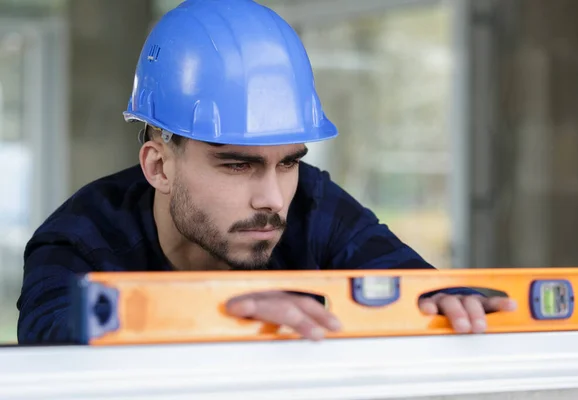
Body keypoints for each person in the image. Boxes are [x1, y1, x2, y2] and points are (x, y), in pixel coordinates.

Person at [16, 0, 515, 345]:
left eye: (289, 162)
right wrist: (216, 312)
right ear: (159, 166)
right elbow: (49, 340)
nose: (274, 200)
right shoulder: (80, 238)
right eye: (237, 164)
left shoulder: (312, 205)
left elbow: (417, 290)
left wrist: (449, 305)